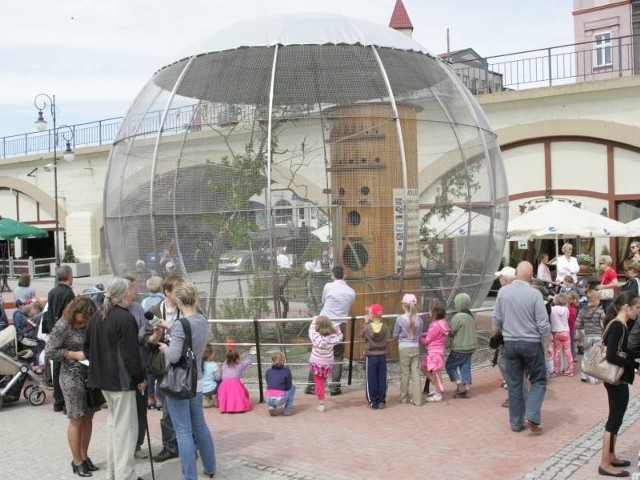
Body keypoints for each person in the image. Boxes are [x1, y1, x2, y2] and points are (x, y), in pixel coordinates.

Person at [83, 277, 146, 480]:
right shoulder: (124, 318)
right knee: (125, 431)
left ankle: (114, 472)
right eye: (130, 291)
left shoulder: (98, 315)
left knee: (114, 426)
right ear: (124, 294)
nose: (132, 295)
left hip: (102, 379)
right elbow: (131, 354)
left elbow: (86, 347)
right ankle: (125, 475)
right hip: (121, 382)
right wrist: (140, 378)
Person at [157, 281, 216, 480]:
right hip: (197, 379)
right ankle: (210, 467)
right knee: (200, 425)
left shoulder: (181, 326)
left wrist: (165, 348)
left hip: (180, 382)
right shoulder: (202, 319)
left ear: (178, 300)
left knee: (182, 430)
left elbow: (174, 356)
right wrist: (172, 329)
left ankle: (189, 476)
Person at [492, 261, 553, 434]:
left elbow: (496, 320)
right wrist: (549, 343)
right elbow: (543, 324)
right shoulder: (535, 294)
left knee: (515, 383)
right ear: (531, 275)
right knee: (539, 380)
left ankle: (516, 423)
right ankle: (532, 415)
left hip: (510, 343)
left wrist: (494, 338)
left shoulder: (503, 292)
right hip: (531, 343)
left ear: (516, 273)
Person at [45, 297, 99, 478]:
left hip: (89, 373)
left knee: (89, 416)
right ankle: (76, 461)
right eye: (83, 315)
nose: (85, 319)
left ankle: (84, 455)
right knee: (77, 418)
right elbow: (50, 351)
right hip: (71, 375)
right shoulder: (63, 325)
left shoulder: (88, 323)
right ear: (74, 311)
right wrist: (73, 354)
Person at [596, 291, 640, 477]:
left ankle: (611, 455)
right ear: (626, 307)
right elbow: (612, 355)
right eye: (637, 307)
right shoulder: (618, 326)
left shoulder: (620, 324)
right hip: (616, 379)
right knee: (614, 420)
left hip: (617, 379)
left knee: (617, 418)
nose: (638, 311)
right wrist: (634, 364)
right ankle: (605, 463)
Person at [145, 275, 184, 462]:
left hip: (184, 366)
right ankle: (170, 446)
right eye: (176, 291)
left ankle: (188, 444)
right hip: (163, 365)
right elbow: (146, 341)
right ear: (166, 292)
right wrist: (155, 336)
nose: (180, 294)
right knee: (167, 408)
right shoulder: (154, 310)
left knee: (186, 407)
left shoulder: (187, 309)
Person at [304, 265, 355, 396]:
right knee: (338, 355)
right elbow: (348, 306)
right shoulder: (351, 292)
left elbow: (323, 301)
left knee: (317, 350)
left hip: (324, 321)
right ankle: (335, 387)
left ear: (332, 276)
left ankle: (311, 386)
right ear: (344, 275)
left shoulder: (328, 286)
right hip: (340, 324)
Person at [45, 265, 76, 413]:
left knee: (56, 367)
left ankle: (58, 401)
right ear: (69, 276)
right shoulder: (68, 294)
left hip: (53, 331)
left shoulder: (52, 292)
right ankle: (66, 402)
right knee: (68, 367)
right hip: (65, 333)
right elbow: (70, 315)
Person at [393, 293, 424, 406]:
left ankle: (403, 398)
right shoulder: (419, 320)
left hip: (403, 348)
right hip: (415, 347)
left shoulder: (400, 319)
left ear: (403, 305)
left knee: (405, 373)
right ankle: (417, 399)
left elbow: (395, 334)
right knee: (416, 373)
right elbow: (420, 334)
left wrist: (398, 338)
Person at [308, 315, 343, 412]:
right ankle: (324, 382)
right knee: (323, 378)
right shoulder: (333, 338)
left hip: (316, 363)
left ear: (317, 326)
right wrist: (336, 327)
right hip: (327, 363)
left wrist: (314, 320)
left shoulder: (315, 336)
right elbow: (340, 337)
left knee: (318, 382)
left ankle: (321, 403)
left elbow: (310, 330)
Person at [445, 292, 477, 399]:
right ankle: (466, 388)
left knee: (450, 365)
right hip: (470, 347)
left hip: (460, 347)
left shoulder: (458, 316)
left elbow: (451, 331)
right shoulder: (470, 315)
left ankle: (459, 385)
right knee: (465, 366)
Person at [419, 299, 450, 403]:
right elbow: (431, 334)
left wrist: (417, 338)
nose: (429, 311)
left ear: (434, 312)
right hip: (438, 352)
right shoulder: (443, 323)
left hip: (434, 353)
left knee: (436, 373)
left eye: (429, 310)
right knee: (423, 366)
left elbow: (427, 340)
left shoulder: (435, 325)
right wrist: (422, 334)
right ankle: (438, 388)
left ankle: (438, 393)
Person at [362, 303, 389, 410]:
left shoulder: (367, 328)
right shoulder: (386, 328)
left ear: (371, 315)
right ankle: (381, 400)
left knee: (371, 379)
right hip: (382, 356)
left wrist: (366, 322)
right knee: (382, 378)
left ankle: (373, 402)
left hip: (371, 357)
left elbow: (362, 334)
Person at [577, 290, 605, 385]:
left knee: (586, 355)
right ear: (595, 300)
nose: (599, 301)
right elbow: (603, 324)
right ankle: (593, 378)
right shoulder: (600, 311)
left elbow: (577, 324)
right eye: (598, 299)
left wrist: (583, 331)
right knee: (595, 356)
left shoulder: (582, 310)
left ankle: (584, 375)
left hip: (587, 335)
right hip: (597, 336)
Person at [264, 351, 296, 416]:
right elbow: (288, 386)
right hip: (280, 399)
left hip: (267, 398)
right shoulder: (286, 370)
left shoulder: (268, 371)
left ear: (272, 360)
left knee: (271, 388)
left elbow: (268, 383)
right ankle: (287, 411)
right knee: (293, 387)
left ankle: (271, 407)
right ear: (283, 360)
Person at [550, 294, 573, 377]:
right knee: (568, 351)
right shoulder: (566, 309)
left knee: (556, 351)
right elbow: (567, 318)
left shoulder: (552, 309)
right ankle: (570, 370)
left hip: (556, 332)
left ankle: (555, 370)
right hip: (566, 331)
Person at [202, 343, 221, 408]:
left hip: (201, 389)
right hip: (212, 388)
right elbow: (218, 377)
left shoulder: (198, 364)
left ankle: (205, 400)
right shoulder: (214, 365)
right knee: (220, 381)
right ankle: (215, 398)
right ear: (210, 355)